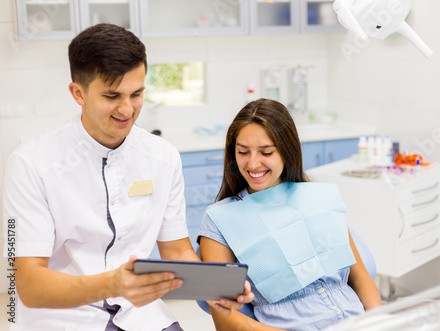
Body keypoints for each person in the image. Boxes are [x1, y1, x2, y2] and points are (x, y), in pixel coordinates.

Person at [2, 23, 252, 330]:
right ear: (78, 93)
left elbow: (176, 250)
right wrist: (112, 285)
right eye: (112, 95)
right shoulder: (30, 163)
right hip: (61, 317)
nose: (127, 109)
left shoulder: (162, 157)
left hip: (139, 313)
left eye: (136, 94)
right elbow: (27, 285)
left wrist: (218, 288)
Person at [198, 98, 381, 331]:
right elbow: (226, 321)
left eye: (266, 152)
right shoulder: (220, 219)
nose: (253, 163)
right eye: (243, 152)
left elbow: (361, 277)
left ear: (286, 150)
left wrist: (379, 323)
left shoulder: (318, 198)